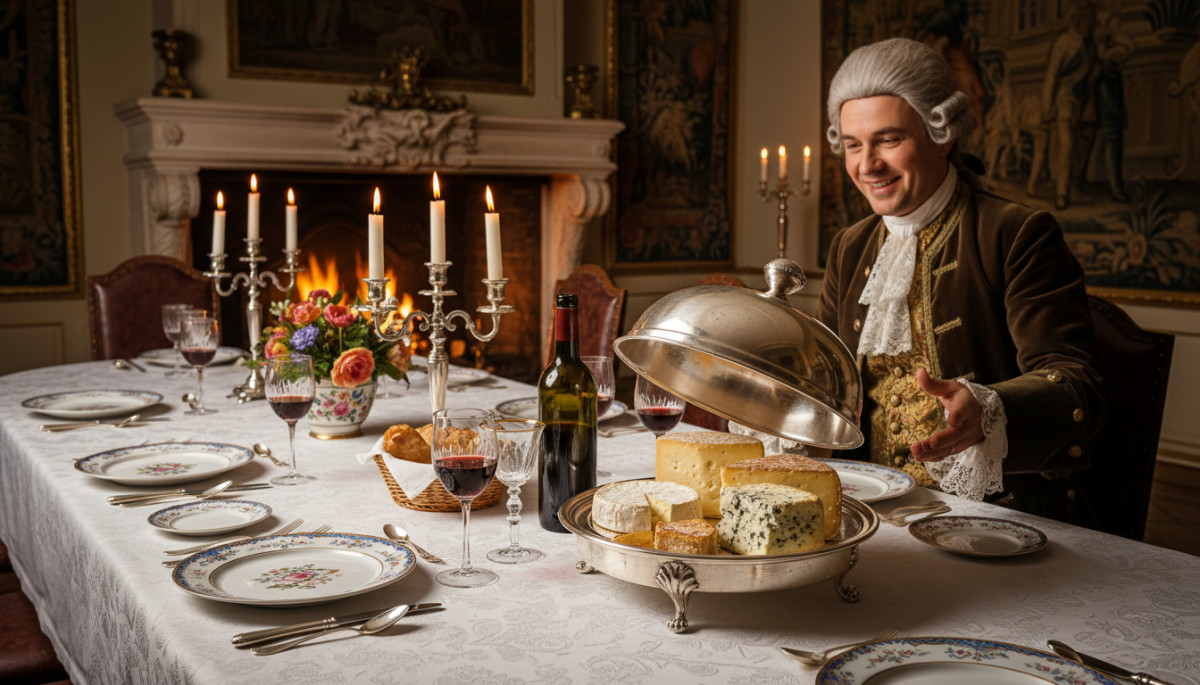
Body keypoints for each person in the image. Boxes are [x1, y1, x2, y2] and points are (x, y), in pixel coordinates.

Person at [815, 37, 1108, 519]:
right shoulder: (849, 248)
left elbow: (1080, 385)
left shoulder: (1016, 233)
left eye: (889, 140)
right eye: (852, 145)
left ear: (942, 135)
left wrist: (989, 409)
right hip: (868, 510)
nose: (867, 165)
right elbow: (823, 379)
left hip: (992, 514)